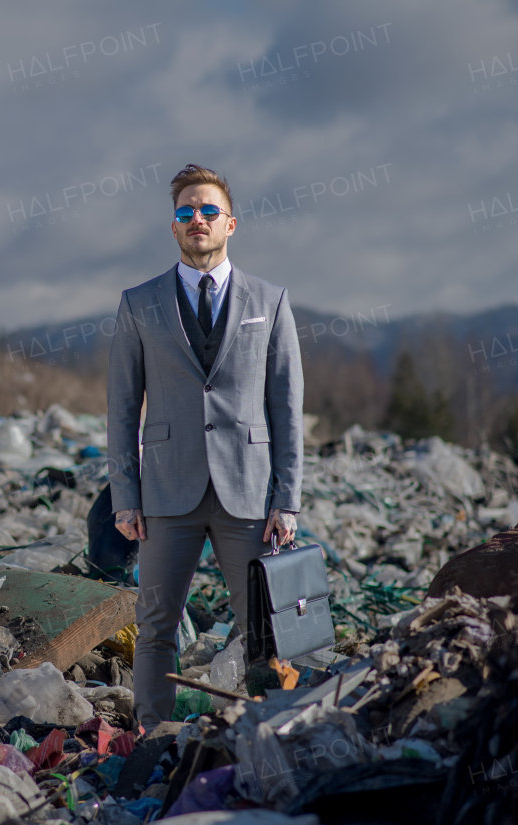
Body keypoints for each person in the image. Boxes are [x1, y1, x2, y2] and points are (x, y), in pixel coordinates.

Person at [106, 164, 304, 728]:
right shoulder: (138, 304)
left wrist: (286, 499)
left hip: (249, 493)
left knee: (263, 627)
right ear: (173, 227)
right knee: (156, 625)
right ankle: (153, 735)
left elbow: (288, 410)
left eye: (208, 210)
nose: (197, 218)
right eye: (185, 211)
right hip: (166, 492)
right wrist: (126, 493)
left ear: (231, 224)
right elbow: (121, 408)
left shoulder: (271, 300)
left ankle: (267, 731)